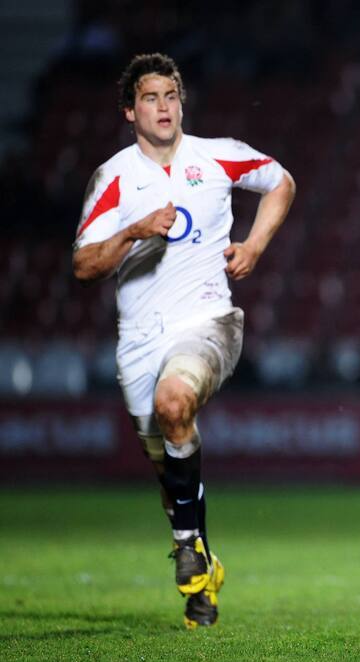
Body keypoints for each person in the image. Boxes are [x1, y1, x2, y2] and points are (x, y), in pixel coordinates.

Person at [72, 53, 296, 628]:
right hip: (139, 342)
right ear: (130, 111)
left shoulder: (216, 155)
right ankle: (200, 569)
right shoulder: (115, 177)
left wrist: (254, 246)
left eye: (170, 95)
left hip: (208, 323)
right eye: (150, 97)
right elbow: (84, 265)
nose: (163, 106)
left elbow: (281, 182)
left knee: (175, 403)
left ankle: (189, 548)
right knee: (171, 476)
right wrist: (134, 230)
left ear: (182, 103)